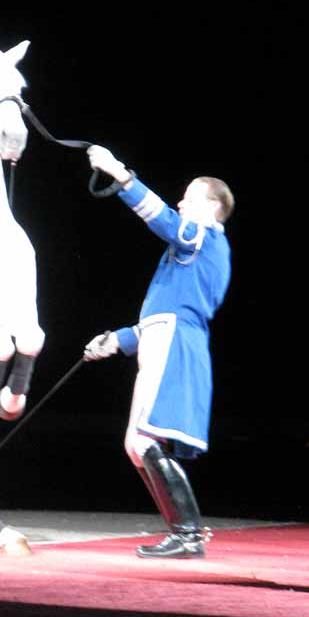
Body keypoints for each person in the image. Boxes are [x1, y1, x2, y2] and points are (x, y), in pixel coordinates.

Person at [83, 144, 234, 559]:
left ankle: (188, 535)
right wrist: (116, 340)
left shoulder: (205, 238)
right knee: (136, 443)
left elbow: (166, 221)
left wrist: (121, 175)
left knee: (144, 438)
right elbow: (161, 316)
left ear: (210, 205)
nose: (181, 201)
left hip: (174, 342)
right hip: (163, 337)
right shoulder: (192, 249)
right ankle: (184, 533)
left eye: (189, 196)